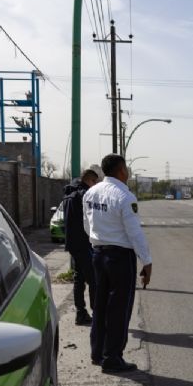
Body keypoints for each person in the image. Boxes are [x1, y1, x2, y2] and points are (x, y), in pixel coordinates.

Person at [83, 154, 153, 373]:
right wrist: (147, 261)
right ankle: (112, 357)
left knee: (101, 305)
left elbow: (87, 225)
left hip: (97, 254)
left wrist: (99, 240)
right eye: (127, 169)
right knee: (119, 309)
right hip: (120, 258)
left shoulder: (91, 192)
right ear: (122, 171)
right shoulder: (125, 196)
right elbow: (135, 233)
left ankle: (98, 352)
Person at [63, 169, 100, 326]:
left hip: (72, 243)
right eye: (95, 182)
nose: (95, 186)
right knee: (94, 279)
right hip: (85, 243)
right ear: (90, 180)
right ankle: (96, 313)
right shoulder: (85, 195)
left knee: (79, 278)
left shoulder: (69, 194)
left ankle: (81, 313)